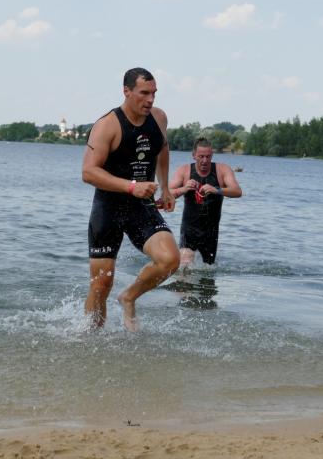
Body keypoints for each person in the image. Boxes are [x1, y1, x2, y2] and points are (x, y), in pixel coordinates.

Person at [82, 67, 180, 331]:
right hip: (108, 208)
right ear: (126, 91)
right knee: (101, 284)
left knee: (170, 260)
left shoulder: (158, 118)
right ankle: (90, 339)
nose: (150, 99)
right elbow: (88, 172)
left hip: (141, 206)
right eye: (144, 93)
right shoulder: (107, 125)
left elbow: (162, 148)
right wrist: (130, 186)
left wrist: (165, 187)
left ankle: (129, 296)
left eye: (154, 93)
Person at [169, 137, 242, 268]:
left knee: (208, 270)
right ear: (193, 155)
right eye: (201, 156)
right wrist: (184, 189)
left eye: (208, 157)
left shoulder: (222, 170)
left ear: (212, 155)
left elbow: (237, 191)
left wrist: (217, 190)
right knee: (185, 266)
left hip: (211, 231)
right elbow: (167, 193)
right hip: (189, 229)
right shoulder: (184, 171)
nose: (205, 160)